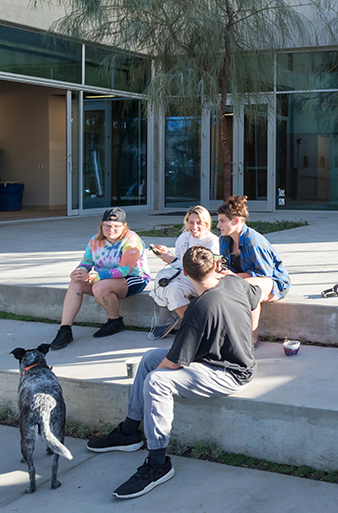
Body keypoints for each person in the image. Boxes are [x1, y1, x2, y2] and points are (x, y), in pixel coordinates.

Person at [86, 246, 260, 499]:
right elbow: (259, 293)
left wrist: (148, 383)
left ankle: (158, 463)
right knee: (148, 358)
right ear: (214, 266)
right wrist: (253, 331)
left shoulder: (198, 309)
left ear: (186, 276)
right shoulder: (233, 282)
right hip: (214, 359)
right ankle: (129, 432)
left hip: (229, 372)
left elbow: (172, 364)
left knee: (157, 381)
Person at [50, 207, 150, 350]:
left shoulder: (132, 240)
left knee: (99, 286)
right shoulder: (95, 240)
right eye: (107, 226)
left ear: (124, 226)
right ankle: (65, 329)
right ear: (101, 225)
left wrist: (96, 277)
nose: (111, 229)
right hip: (103, 279)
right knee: (76, 282)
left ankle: (115, 321)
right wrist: (79, 271)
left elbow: (124, 270)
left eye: (116, 226)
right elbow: (86, 262)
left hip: (133, 278)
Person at [216, 195, 290, 343]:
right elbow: (226, 266)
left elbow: (265, 274)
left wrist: (234, 276)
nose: (218, 226)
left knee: (249, 288)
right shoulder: (224, 239)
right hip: (239, 280)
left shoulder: (253, 241)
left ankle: (252, 338)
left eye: (222, 221)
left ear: (236, 220)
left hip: (273, 284)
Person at [148, 205, 220, 339]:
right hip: (186, 276)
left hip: (201, 279)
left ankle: (174, 322)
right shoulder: (183, 237)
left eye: (199, 223)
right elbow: (180, 263)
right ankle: (191, 326)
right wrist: (166, 254)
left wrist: (171, 260)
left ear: (206, 224)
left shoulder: (212, 241)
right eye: (191, 222)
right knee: (163, 280)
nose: (194, 226)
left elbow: (204, 270)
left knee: (171, 287)